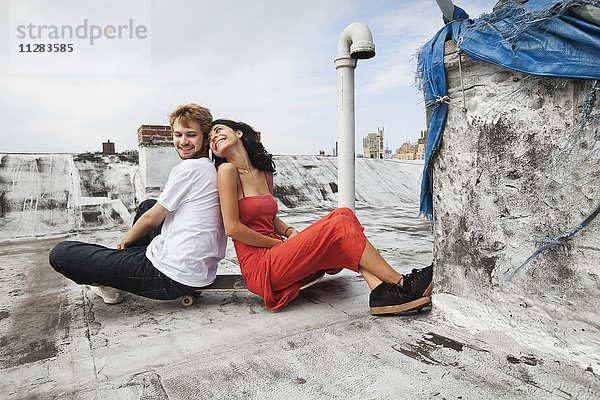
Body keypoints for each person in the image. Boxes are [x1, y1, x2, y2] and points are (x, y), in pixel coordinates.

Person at [209, 119, 433, 314]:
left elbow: (268, 216)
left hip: (279, 252)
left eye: (218, 130)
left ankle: (380, 292)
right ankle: (403, 283)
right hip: (261, 266)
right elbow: (233, 228)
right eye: (210, 139)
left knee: (343, 214)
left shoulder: (264, 171)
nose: (214, 138)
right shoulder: (226, 171)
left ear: (238, 132)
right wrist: (278, 243)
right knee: (339, 228)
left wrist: (288, 232)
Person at [49, 104, 227, 304]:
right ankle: (118, 273)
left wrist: (124, 243)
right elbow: (151, 212)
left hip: (170, 276)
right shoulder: (213, 168)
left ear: (205, 139)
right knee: (147, 204)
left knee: (61, 253)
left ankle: (111, 282)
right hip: (201, 271)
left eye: (191, 135)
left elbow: (152, 220)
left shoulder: (189, 169)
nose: (183, 141)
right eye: (178, 135)